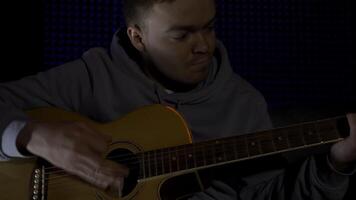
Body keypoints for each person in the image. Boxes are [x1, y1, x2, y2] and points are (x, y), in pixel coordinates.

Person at [0, 0, 355, 199]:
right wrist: (30, 134)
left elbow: (269, 196)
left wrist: (335, 166)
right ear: (138, 38)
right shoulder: (93, 76)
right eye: (182, 35)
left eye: (209, 27)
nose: (203, 46)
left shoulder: (244, 102)